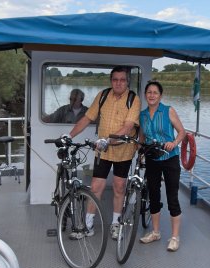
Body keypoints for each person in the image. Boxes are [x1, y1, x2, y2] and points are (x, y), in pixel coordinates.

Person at [68, 66, 141, 239]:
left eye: (122, 80)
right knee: (95, 187)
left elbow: (129, 126)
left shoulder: (133, 99)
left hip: (123, 150)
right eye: (115, 79)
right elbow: (87, 118)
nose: (118, 83)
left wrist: (108, 140)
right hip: (103, 151)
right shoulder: (102, 96)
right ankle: (88, 225)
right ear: (111, 81)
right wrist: (69, 135)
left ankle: (115, 225)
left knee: (119, 187)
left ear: (127, 81)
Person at [139, 81, 186, 251]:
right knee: (153, 195)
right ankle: (156, 232)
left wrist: (173, 143)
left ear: (160, 95)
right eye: (149, 92)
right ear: (145, 95)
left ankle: (174, 237)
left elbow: (182, 132)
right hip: (152, 159)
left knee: (172, 196)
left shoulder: (168, 111)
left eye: (155, 92)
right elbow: (143, 136)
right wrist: (140, 151)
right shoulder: (142, 115)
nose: (151, 95)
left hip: (169, 158)